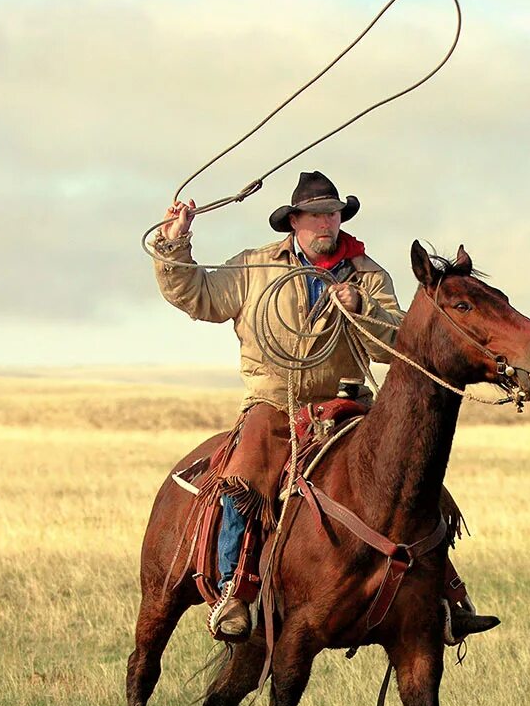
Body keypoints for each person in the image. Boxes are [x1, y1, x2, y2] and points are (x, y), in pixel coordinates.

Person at [150, 170, 488, 643]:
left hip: (347, 404)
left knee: (409, 482)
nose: (325, 222)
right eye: (314, 215)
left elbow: (399, 345)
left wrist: (361, 308)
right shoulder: (256, 267)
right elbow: (196, 294)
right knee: (245, 478)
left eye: (331, 213)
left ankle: (444, 595)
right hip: (274, 403)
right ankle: (235, 588)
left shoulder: (368, 275)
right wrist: (175, 245)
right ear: (294, 222)